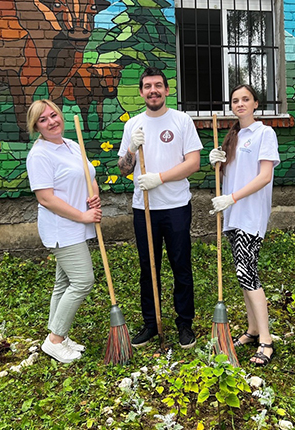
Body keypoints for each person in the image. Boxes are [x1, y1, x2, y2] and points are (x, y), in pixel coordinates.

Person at [117, 67, 203, 349]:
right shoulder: (133, 125)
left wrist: (160, 178)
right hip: (144, 209)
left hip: (176, 206)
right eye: (147, 86)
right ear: (141, 92)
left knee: (181, 265)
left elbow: (193, 163)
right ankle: (151, 324)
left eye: (157, 85)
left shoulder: (181, 120)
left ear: (167, 90)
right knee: (148, 267)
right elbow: (123, 169)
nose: (152, 90)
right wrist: (132, 148)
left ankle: (184, 324)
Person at [208, 84, 280, 367]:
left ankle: (266, 340)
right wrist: (217, 163)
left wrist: (232, 197)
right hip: (233, 215)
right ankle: (252, 330)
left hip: (250, 214)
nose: (240, 104)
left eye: (245, 99)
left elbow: (264, 176)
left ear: (255, 104)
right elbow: (232, 175)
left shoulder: (264, 133)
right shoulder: (233, 137)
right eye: (235, 100)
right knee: (243, 275)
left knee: (247, 273)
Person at [25, 99, 101, 363]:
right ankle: (55, 340)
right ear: (36, 127)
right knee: (82, 281)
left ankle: (59, 334)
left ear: (60, 116)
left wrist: (94, 196)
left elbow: (89, 176)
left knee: (64, 283)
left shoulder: (71, 144)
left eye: (53, 115)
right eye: (43, 119)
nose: (51, 122)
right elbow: (46, 198)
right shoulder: (39, 155)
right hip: (63, 228)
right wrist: (82, 215)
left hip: (78, 224)